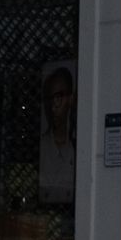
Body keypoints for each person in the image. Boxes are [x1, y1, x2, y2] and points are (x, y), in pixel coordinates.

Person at [38, 66, 76, 205]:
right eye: (50, 99)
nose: (53, 106)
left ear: (70, 99)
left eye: (59, 97)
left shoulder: (78, 149)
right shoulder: (40, 148)